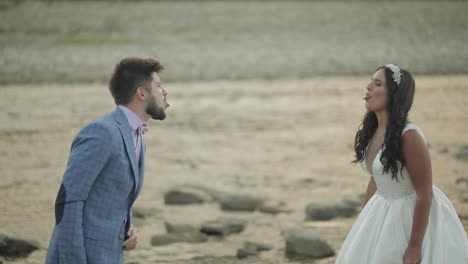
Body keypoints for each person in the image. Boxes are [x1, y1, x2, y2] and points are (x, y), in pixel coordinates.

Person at [335, 64, 468, 264]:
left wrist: (414, 246)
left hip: (409, 216)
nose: (369, 87)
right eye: (371, 81)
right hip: (380, 211)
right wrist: (362, 221)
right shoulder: (372, 132)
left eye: (377, 83)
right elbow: (376, 179)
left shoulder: (410, 136)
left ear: (394, 94)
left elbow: (425, 192)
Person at [45, 57, 170, 264]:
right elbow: (68, 201)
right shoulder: (102, 132)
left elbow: (112, 196)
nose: (164, 92)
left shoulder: (136, 137)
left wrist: (127, 229)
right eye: (158, 85)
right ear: (141, 93)